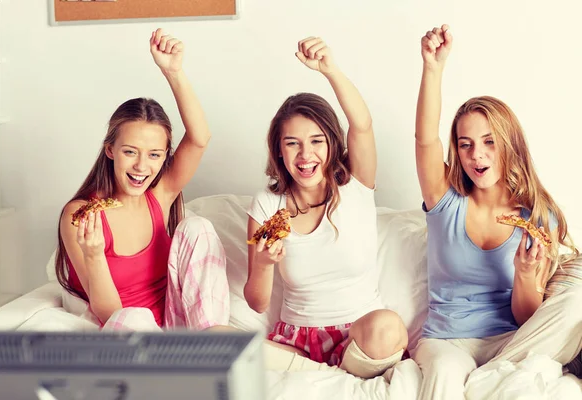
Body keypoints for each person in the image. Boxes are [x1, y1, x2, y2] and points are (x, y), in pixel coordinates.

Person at [412, 24, 582, 399]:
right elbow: (425, 139)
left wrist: (525, 274)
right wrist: (433, 69)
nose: (477, 155)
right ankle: (496, 380)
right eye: (465, 144)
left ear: (508, 145)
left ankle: (496, 375)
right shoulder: (444, 201)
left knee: (575, 306)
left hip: (510, 342)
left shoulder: (539, 219)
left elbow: (526, 317)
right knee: (443, 371)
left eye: (489, 142)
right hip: (448, 341)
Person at [244, 36, 408, 379]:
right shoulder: (266, 204)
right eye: (293, 144)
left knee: (389, 327)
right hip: (296, 342)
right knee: (217, 341)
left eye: (316, 141)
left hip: (361, 338)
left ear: (333, 143)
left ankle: (327, 374)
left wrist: (330, 70)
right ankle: (326, 377)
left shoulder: (356, 185)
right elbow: (257, 302)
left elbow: (362, 125)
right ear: (279, 151)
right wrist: (261, 263)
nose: (306, 156)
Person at [55, 28, 229, 331]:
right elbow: (110, 314)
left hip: (178, 327)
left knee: (197, 226)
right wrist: (94, 254)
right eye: (130, 152)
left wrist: (173, 72)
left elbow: (200, 138)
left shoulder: (159, 196)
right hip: (130, 332)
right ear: (110, 150)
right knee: (134, 317)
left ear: (164, 157)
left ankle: (210, 339)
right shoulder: (81, 215)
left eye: (154, 155)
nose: (141, 166)